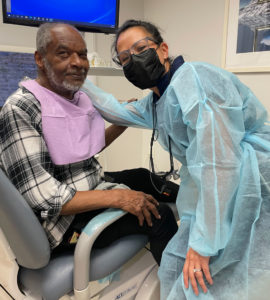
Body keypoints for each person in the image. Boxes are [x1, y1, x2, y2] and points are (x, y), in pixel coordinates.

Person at [82, 19, 270, 299]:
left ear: (162, 49)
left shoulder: (196, 80)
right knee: (177, 266)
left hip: (247, 182)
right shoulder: (158, 100)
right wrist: (77, 79)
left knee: (227, 274)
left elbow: (219, 164)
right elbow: (117, 111)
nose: (133, 60)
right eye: (124, 59)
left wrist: (203, 245)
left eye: (140, 48)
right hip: (212, 192)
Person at [0, 22, 178, 266]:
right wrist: (119, 198)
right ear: (40, 59)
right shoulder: (20, 108)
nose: (77, 62)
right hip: (63, 223)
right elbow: (48, 199)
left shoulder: (73, 97)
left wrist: (123, 120)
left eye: (82, 54)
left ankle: (198, 210)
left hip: (89, 183)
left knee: (143, 177)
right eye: (64, 54)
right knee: (160, 217)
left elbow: (84, 147)